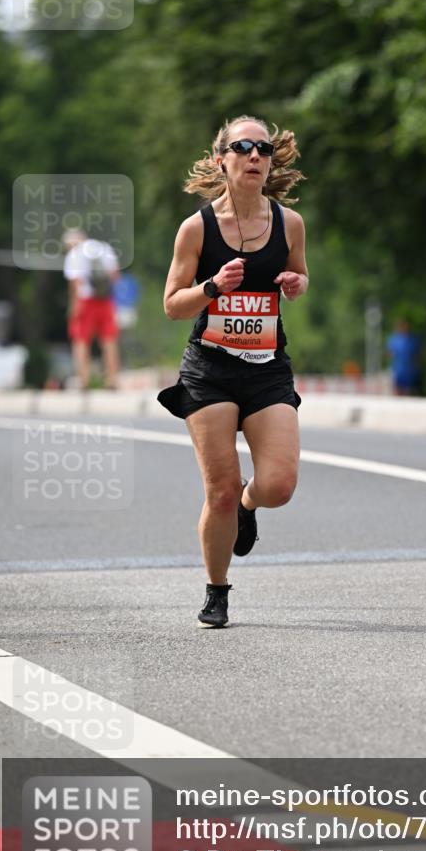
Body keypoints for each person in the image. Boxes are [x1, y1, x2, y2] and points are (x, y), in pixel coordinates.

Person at [158, 115, 308, 627]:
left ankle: (250, 504)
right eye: (243, 147)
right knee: (217, 490)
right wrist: (213, 288)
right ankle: (217, 590)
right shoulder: (196, 228)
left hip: (267, 368)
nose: (255, 156)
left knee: (279, 485)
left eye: (263, 149)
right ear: (221, 158)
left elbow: (303, 275)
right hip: (210, 372)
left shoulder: (289, 224)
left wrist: (294, 282)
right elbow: (173, 305)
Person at [63, 229, 120, 389]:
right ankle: (112, 379)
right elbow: (115, 275)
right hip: (106, 300)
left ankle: (83, 380)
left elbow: (75, 283)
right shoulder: (103, 248)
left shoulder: (74, 254)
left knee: (81, 340)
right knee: (109, 339)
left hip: (85, 301)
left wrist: (74, 306)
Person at [386, 319, 421, 396]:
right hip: (398, 367)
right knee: (398, 387)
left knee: (408, 388)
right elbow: (389, 353)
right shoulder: (394, 339)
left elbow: (417, 354)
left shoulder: (413, 339)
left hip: (409, 368)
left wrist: (417, 364)